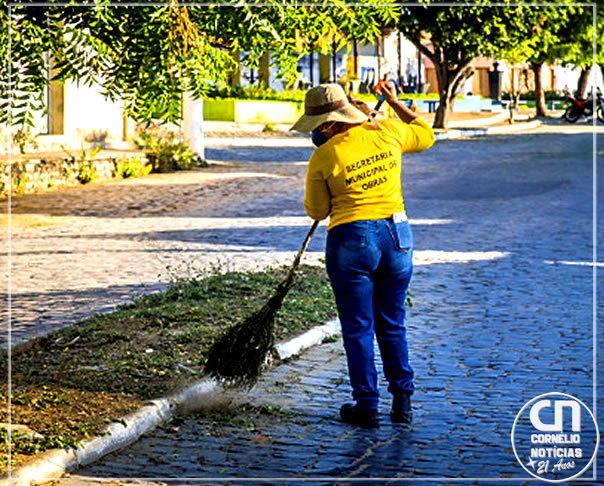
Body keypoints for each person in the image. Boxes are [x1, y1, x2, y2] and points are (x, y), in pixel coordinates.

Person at [290, 83, 434, 428]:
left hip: (352, 240)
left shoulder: (323, 156)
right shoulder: (387, 131)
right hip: (397, 235)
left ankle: (366, 404)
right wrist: (396, 103)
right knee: (392, 322)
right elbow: (426, 134)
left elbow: (317, 211)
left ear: (326, 125)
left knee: (357, 326)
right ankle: (402, 401)